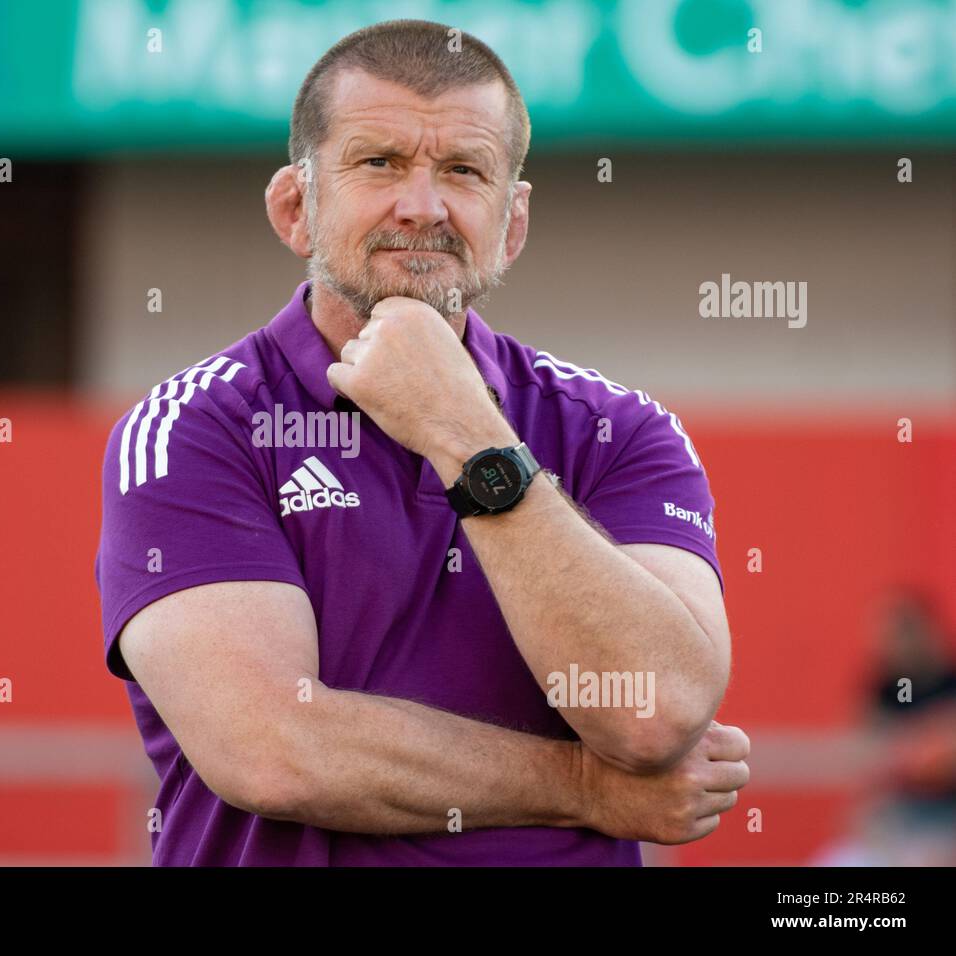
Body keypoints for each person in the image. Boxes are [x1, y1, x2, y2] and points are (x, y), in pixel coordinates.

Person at [95, 19, 749, 865]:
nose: (422, 206)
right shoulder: (193, 428)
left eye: (463, 171)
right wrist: (587, 788)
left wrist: (468, 434)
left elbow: (654, 713)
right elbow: (274, 745)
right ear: (296, 207)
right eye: (379, 163)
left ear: (511, 224)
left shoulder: (619, 430)